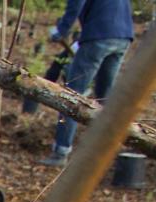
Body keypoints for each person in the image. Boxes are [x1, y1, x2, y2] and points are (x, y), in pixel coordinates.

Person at [38, 0, 133, 166]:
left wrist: (61, 30)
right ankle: (107, 149)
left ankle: (60, 152)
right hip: (123, 36)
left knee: (73, 96)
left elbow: (76, 5)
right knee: (105, 97)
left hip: (99, 35)